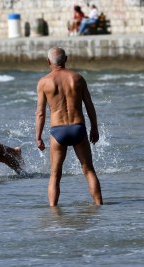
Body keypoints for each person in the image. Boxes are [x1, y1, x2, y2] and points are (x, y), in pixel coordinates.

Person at [35, 47, 103, 206]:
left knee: (55, 175)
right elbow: (89, 106)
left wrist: (38, 137)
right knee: (89, 170)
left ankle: (53, 210)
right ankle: (100, 206)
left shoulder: (44, 82)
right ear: (66, 60)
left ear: (48, 62)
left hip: (58, 131)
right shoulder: (77, 78)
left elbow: (40, 113)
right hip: (78, 127)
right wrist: (94, 127)